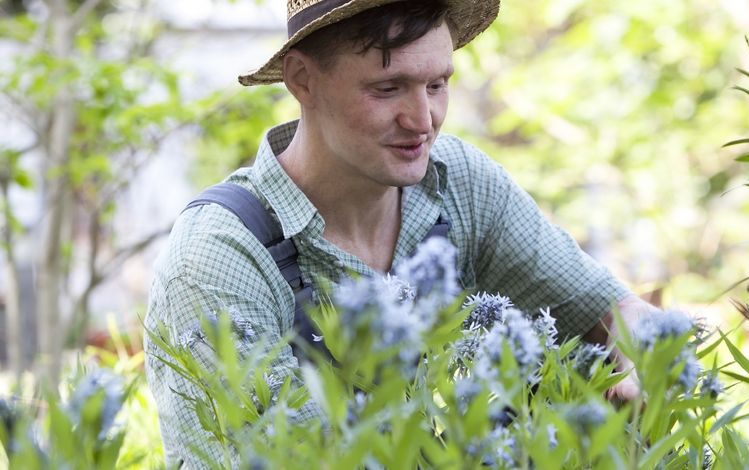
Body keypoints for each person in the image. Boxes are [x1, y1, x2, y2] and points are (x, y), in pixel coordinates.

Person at [144, 0, 658, 467]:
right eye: (387, 88)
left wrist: (641, 367)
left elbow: (621, 314)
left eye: (437, 85)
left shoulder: (460, 185)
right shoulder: (221, 257)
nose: (423, 120)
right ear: (302, 79)